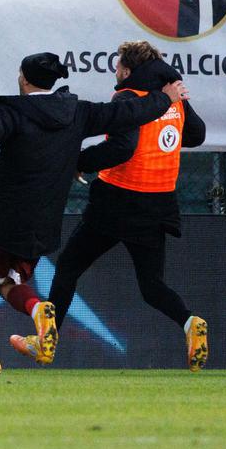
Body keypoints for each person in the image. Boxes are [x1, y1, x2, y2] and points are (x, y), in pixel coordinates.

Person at [0, 52, 188, 375]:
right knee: (7, 281)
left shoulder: (15, 112)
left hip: (7, 216)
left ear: (23, 78)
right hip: (46, 222)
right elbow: (124, 112)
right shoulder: (76, 112)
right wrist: (164, 100)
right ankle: (38, 312)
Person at [12, 41, 208, 371]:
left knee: (69, 267)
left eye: (118, 67)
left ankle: (45, 343)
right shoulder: (172, 100)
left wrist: (78, 162)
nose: (115, 72)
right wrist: (175, 112)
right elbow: (196, 135)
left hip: (118, 200)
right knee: (152, 286)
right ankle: (191, 323)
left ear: (127, 71)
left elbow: (122, 148)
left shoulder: (129, 98)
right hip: (158, 203)